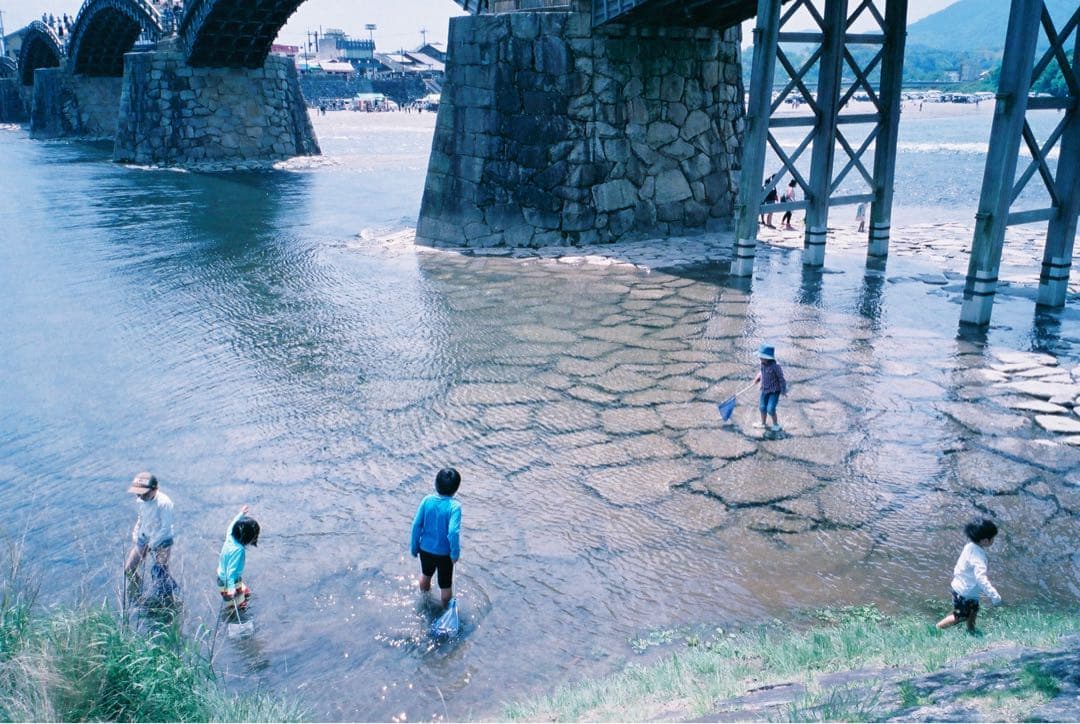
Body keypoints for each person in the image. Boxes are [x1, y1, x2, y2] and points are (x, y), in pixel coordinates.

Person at [937, 519, 1002, 633]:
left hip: (962, 587)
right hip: (965, 592)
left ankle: (971, 630)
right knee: (961, 615)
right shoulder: (979, 557)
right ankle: (937, 628)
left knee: (973, 611)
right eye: (992, 538)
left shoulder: (970, 546)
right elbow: (980, 578)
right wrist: (994, 596)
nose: (993, 541)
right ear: (985, 540)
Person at [410, 468, 462, 606]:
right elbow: (453, 532)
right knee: (445, 585)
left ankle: (425, 600)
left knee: (425, 575)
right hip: (444, 554)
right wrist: (455, 553)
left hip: (425, 549)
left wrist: (414, 547)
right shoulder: (455, 506)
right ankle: (445, 608)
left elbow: (416, 525)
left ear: (436, 484)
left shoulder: (427, 500)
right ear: (456, 488)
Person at [125, 472, 175, 581]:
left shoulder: (164, 503)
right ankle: (137, 591)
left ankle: (166, 595)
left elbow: (166, 528)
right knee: (129, 569)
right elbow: (141, 519)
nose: (140, 497)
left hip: (163, 542)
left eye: (144, 494)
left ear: (154, 489)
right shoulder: (142, 501)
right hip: (144, 539)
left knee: (159, 573)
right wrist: (136, 533)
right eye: (138, 494)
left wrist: (152, 544)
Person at [218, 505, 259, 610]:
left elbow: (232, 524)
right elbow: (230, 572)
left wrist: (241, 514)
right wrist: (231, 589)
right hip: (229, 581)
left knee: (247, 593)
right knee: (237, 607)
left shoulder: (230, 536)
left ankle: (239, 597)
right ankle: (233, 615)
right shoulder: (239, 550)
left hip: (222, 576)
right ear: (247, 538)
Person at [752, 344, 787, 432]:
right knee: (762, 407)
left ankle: (776, 424)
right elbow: (761, 372)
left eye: (761, 357)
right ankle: (763, 423)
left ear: (768, 358)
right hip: (764, 389)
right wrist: (758, 378)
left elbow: (781, 379)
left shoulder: (776, 367)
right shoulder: (763, 364)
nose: (759, 358)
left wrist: (783, 390)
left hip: (774, 391)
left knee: (770, 409)